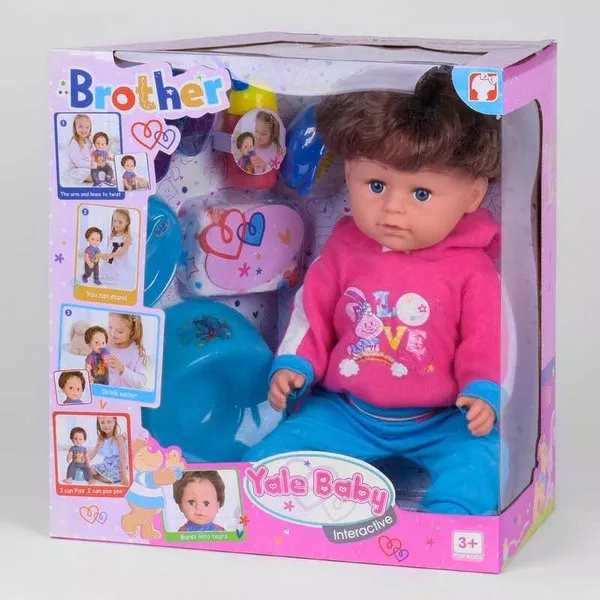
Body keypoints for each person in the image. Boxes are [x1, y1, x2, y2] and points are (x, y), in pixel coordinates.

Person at [243, 66, 504, 516]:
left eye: (421, 193)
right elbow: (312, 314)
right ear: (349, 173)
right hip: (345, 412)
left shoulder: (473, 268)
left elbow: (488, 337)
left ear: (473, 194)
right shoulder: (344, 249)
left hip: (441, 419)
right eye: (376, 185)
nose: (393, 209)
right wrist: (294, 365)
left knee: (481, 461)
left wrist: (483, 391)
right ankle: (254, 505)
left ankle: (447, 523)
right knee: (270, 460)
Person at [104, 313, 148, 389]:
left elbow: (141, 382)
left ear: (132, 331)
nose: (113, 333)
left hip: (126, 394)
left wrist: (122, 369)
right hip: (104, 392)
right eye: (110, 327)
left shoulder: (137, 351)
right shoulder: (103, 342)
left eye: (120, 331)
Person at [88, 416, 129, 486]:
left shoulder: (119, 438)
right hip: (106, 464)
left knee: (109, 479)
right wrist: (97, 446)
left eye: (109, 422)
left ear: (114, 421)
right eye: (102, 422)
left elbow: (123, 458)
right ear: (99, 423)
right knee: (90, 470)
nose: (106, 425)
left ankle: (98, 477)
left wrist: (124, 477)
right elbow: (90, 457)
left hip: (118, 465)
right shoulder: (100, 439)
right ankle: (99, 476)